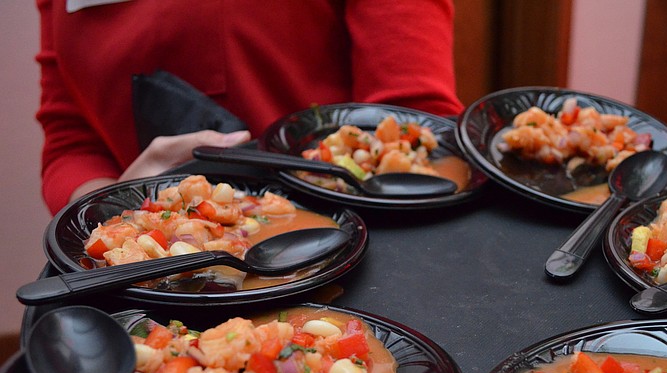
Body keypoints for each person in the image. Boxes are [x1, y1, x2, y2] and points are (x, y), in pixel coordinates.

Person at [36, 0, 465, 215]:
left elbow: (414, 126)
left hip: (347, 267)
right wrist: (110, 211)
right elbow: (71, 138)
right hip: (147, 281)